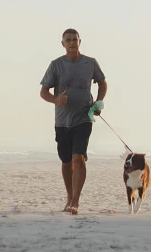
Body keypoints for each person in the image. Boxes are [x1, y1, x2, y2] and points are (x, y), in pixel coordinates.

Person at [40, 29, 107, 214]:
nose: (71, 43)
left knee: (79, 158)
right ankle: (69, 196)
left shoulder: (90, 63)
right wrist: (55, 100)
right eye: (68, 40)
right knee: (66, 161)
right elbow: (43, 92)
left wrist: (98, 102)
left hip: (84, 118)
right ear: (63, 44)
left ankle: (76, 201)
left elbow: (102, 82)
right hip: (62, 121)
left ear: (80, 41)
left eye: (74, 40)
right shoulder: (56, 65)